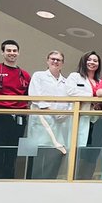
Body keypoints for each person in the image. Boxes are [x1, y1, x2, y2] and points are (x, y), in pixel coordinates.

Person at [0, 39, 31, 179]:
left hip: (18, 117)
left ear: (19, 53)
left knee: (12, 152)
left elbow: (27, 97)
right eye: (9, 50)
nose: (12, 53)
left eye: (14, 51)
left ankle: (8, 179)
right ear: (2, 52)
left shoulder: (25, 75)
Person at [27, 50, 73, 179]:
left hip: (60, 125)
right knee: (39, 160)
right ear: (47, 61)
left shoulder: (66, 82)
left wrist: (65, 113)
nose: (55, 61)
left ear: (62, 63)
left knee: (54, 160)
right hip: (42, 123)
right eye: (52, 59)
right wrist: (52, 110)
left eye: (58, 60)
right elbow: (35, 96)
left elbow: (71, 101)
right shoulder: (39, 76)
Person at [66, 51, 102, 178]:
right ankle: (73, 177)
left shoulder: (100, 81)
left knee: (91, 154)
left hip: (95, 120)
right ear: (84, 61)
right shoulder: (75, 77)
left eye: (95, 61)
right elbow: (70, 91)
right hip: (79, 118)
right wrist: (92, 97)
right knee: (77, 150)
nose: (92, 62)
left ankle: (85, 178)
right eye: (90, 60)